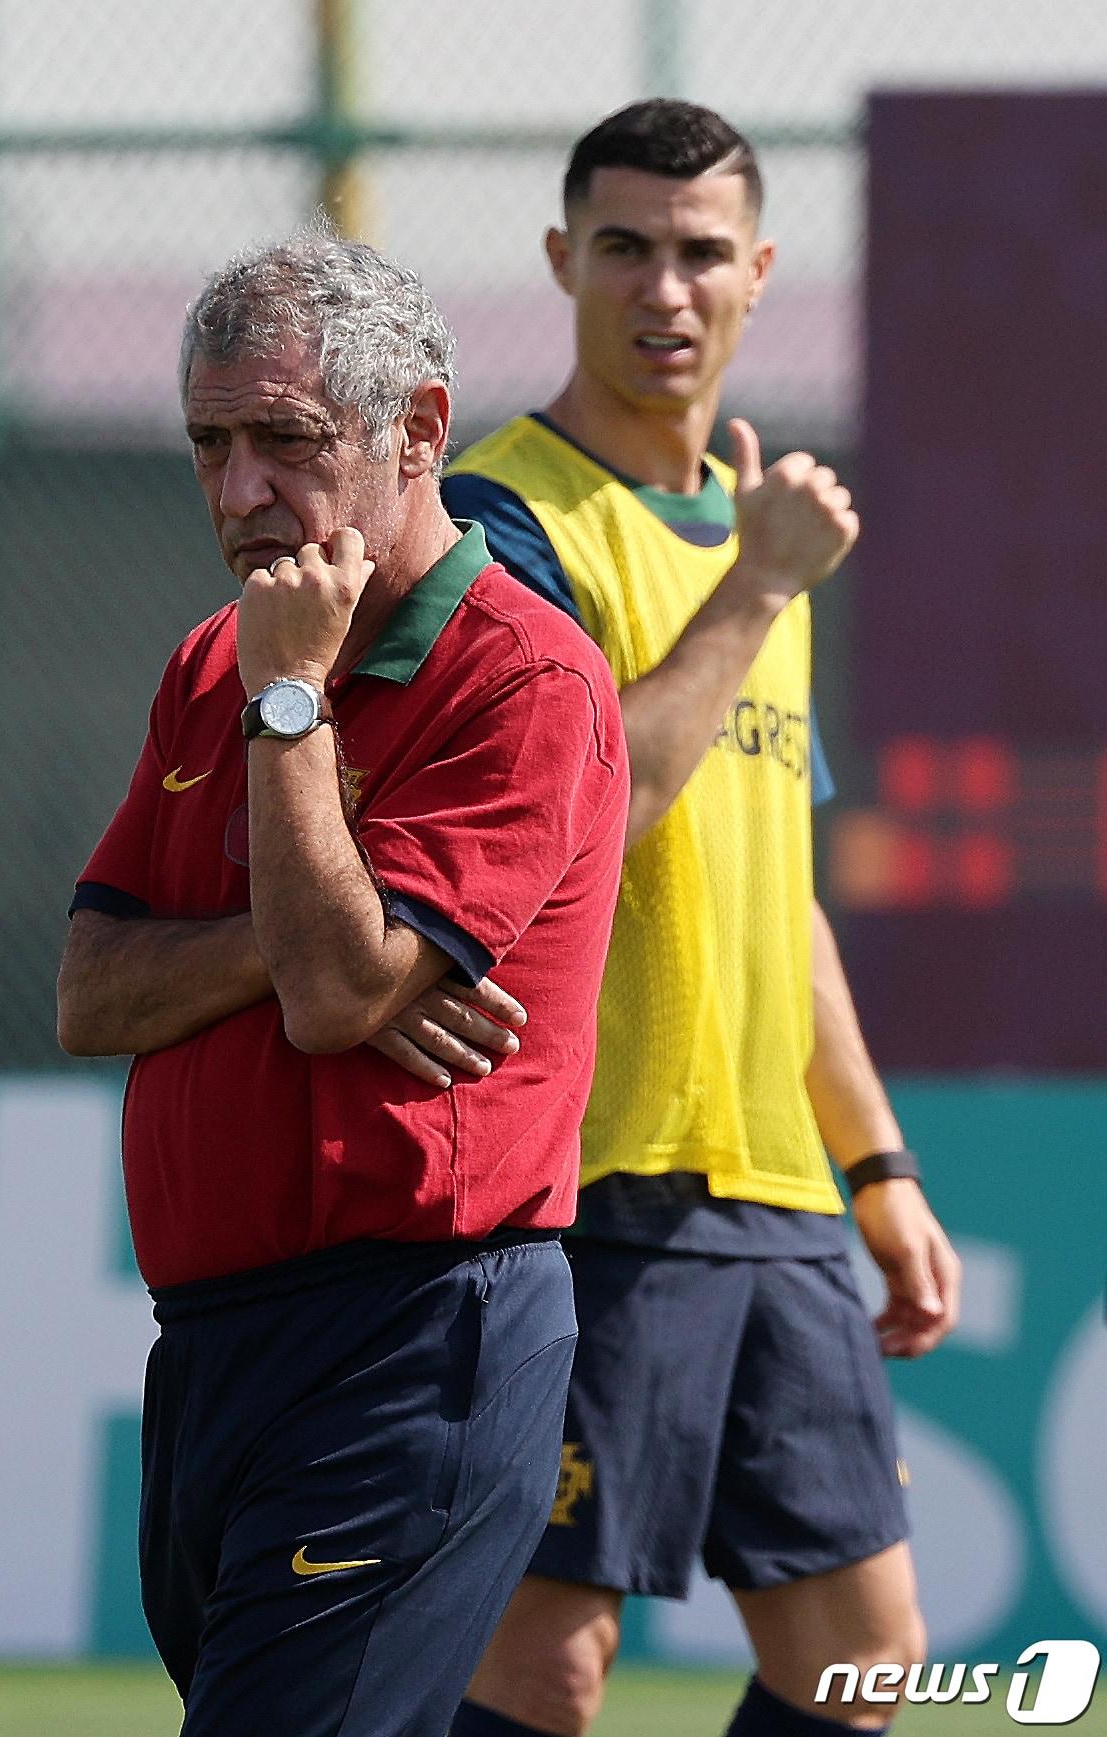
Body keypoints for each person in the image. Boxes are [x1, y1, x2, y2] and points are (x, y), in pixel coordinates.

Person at [55, 227, 631, 1737]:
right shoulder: (211, 663)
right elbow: (91, 994)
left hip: (410, 1337)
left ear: (418, 430)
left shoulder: (523, 678)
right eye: (210, 444)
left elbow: (325, 1001)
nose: (242, 491)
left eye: (287, 441)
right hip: (211, 1350)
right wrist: (337, 944)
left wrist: (294, 707)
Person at [436, 101, 963, 1737]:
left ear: (759, 275)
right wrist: (755, 589)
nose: (663, 289)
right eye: (624, 248)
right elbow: (590, 813)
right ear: (560, 261)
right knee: (542, 1663)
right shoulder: (498, 517)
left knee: (862, 1663)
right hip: (589, 1182)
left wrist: (874, 1166)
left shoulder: (752, 538)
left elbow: (776, 895)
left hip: (769, 1192)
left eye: (699, 252)